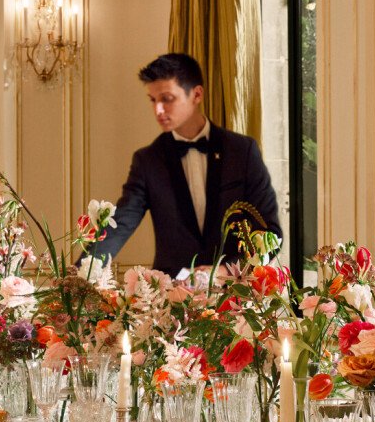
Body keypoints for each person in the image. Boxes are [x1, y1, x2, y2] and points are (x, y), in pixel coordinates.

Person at [93, 52, 282, 273]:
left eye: (167, 99)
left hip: (234, 296)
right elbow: (120, 224)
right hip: (170, 298)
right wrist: (82, 273)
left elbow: (270, 233)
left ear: (197, 94)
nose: (158, 110)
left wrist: (227, 271)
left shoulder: (242, 151)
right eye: (153, 100)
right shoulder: (147, 161)